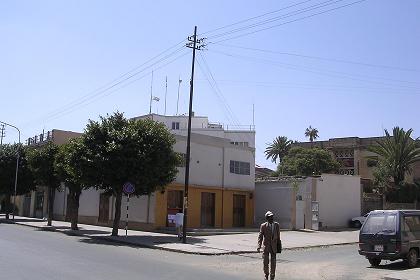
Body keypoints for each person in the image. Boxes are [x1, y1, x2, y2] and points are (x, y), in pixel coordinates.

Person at [257, 211, 281, 280]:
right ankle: (266, 274)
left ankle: (272, 276)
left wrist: (279, 245)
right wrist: (259, 246)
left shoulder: (277, 225)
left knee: (273, 263)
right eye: (270, 217)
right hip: (266, 246)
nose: (272, 218)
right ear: (267, 218)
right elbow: (260, 236)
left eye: (272, 217)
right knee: (265, 262)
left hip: (274, 246)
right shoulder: (263, 226)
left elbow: (278, 236)